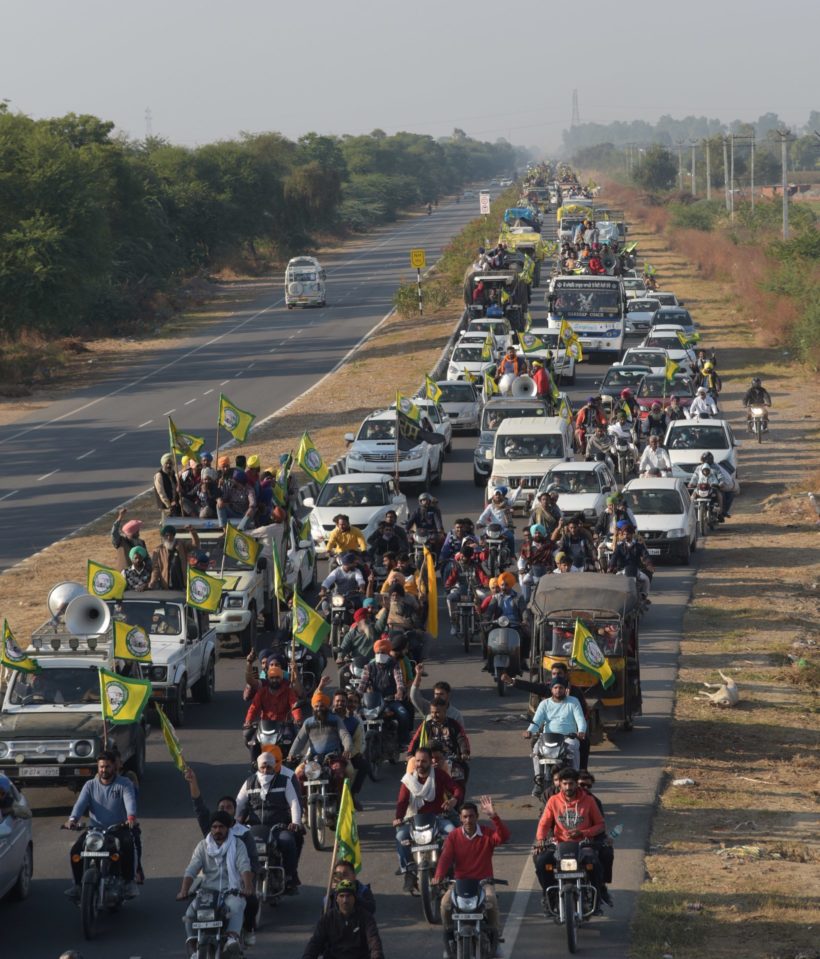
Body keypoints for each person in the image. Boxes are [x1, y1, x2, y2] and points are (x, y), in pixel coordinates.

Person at [184, 767, 261, 944]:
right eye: (221, 807)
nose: (225, 810)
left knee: (251, 902)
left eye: (229, 807)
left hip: (236, 884)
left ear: (235, 810)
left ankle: (246, 932)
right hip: (210, 885)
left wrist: (248, 884)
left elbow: (250, 863)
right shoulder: (210, 834)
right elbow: (199, 807)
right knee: (191, 912)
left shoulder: (243, 835)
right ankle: (195, 943)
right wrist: (193, 782)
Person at [434, 797, 510, 959]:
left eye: (471, 816)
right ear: (460, 818)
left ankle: (495, 939)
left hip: (484, 882)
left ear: (477, 817)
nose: (468, 820)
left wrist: (494, 816)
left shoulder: (487, 834)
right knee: (445, 903)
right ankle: (450, 940)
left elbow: (504, 837)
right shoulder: (454, 836)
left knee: (491, 901)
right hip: (460, 883)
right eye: (465, 817)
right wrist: (439, 875)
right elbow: (446, 857)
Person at [64, 751, 139, 901]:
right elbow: (80, 804)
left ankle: (128, 882)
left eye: (107, 766)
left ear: (114, 767)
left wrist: (131, 817)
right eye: (101, 767)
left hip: (118, 829)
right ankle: (78, 885)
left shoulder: (124, 783)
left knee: (127, 844)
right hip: (95, 831)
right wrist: (72, 819)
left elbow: (130, 801)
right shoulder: (90, 785)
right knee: (76, 851)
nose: (104, 770)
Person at [177, 810, 253, 956]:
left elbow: (244, 866)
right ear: (211, 828)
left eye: (221, 827)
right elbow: (191, 869)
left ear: (228, 828)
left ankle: (232, 937)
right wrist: (184, 890)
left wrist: (248, 886)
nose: (217, 830)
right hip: (208, 893)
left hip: (230, 891)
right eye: (214, 827)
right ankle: (194, 946)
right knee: (190, 912)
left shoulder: (238, 844)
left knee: (236, 906)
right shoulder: (203, 846)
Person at [533, 768, 610, 910]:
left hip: (583, 845)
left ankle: (596, 898)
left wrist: (582, 833)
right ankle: (549, 897)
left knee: (595, 865)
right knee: (541, 862)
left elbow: (600, 825)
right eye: (565, 784)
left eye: (571, 784)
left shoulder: (589, 801)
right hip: (559, 845)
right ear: (560, 785)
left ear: (576, 784)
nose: (568, 787)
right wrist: (540, 839)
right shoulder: (553, 801)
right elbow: (544, 823)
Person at [394, 746, 463, 891]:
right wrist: (398, 818)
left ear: (430, 762)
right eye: (417, 761)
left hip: (438, 818)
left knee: (452, 833)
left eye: (423, 761)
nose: (420, 764)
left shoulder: (439, 775)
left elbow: (456, 788)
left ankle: (452, 868)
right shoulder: (408, 780)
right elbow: (402, 801)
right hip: (414, 820)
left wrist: (453, 800)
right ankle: (408, 871)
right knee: (401, 836)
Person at [235, 751, 304, 893]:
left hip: (277, 827)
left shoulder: (284, 781)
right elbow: (238, 804)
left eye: (269, 767)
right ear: (258, 767)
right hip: (254, 828)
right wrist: (233, 822)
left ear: (274, 768)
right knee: (236, 845)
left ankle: (289, 877)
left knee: (288, 841)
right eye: (263, 767)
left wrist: (296, 822)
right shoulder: (249, 782)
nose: (266, 770)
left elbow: (294, 803)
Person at [524, 679, 587, 794]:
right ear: (551, 689)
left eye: (561, 688)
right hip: (547, 738)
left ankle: (575, 778)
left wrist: (581, 731)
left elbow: (580, 719)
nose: (558, 690)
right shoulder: (544, 704)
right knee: (536, 749)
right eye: (555, 688)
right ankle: (538, 779)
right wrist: (529, 731)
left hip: (568, 738)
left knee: (573, 748)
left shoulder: (573, 702)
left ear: (565, 689)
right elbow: (536, 722)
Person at [303, 879, 384, 959]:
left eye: (348, 896)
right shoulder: (327, 918)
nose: (345, 900)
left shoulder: (366, 917)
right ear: (336, 899)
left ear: (354, 898)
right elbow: (315, 942)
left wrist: (377, 956)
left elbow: (374, 942)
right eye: (342, 896)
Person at [357, 638, 411, 747]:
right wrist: (356, 695)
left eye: (383, 652)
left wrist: (400, 691)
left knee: (403, 714)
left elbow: (399, 681)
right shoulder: (369, 667)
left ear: (388, 653)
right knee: (357, 718)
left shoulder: (394, 665)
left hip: (390, 700)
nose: (380, 654)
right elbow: (362, 684)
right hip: (373, 702)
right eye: (378, 652)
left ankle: (403, 740)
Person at [288, 691, 353, 776]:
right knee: (298, 774)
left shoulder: (336, 720)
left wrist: (347, 749)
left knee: (346, 771)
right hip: (313, 759)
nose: (319, 708)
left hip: (333, 758)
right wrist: (292, 754)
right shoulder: (308, 722)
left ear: (327, 707)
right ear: (313, 708)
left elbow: (345, 735)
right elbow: (300, 739)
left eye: (322, 706)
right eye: (316, 706)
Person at [243, 664, 304, 754]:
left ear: (281, 679)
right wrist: (248, 721)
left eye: (277, 678)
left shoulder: (288, 691)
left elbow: (294, 706)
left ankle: (290, 760)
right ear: (268, 679)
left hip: (283, 725)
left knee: (292, 738)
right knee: (252, 741)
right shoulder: (262, 692)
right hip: (264, 725)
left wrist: (298, 719)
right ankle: (254, 764)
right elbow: (254, 707)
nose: (274, 680)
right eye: (272, 678)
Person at [445, 539, 489, 635]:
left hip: (475, 590)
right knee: (449, 599)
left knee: (486, 597)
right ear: (460, 554)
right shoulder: (456, 566)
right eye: (462, 556)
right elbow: (451, 578)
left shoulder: (475, 566)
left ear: (470, 557)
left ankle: (484, 621)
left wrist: (488, 584)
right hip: (460, 589)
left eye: (466, 557)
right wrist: (448, 585)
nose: (463, 558)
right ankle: (453, 623)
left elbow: (483, 577)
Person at [332, 689, 366, 809]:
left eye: (343, 701)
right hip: (327, 753)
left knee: (358, 767)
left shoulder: (354, 721)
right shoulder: (327, 717)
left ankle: (350, 794)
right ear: (333, 702)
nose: (340, 704)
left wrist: (350, 754)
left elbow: (358, 741)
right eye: (338, 701)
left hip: (346, 754)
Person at [608, 521, 653, 601]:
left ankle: (644, 596)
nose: (625, 536)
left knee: (646, 579)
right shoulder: (619, 547)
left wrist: (649, 564)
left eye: (627, 534)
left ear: (632, 534)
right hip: (622, 571)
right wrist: (611, 567)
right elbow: (614, 557)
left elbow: (645, 555)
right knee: (612, 582)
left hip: (636, 570)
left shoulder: (639, 546)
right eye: (624, 534)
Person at [149, 523, 199, 590]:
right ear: (163, 537)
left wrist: (192, 532)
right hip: (166, 586)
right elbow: (156, 569)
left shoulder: (182, 545)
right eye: (166, 535)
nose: (169, 538)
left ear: (174, 535)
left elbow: (195, 545)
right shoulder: (158, 550)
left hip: (182, 584)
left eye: (171, 535)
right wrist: (152, 582)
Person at [477, 484, 522, 552]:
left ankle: (512, 555)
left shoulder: (507, 503)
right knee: (481, 539)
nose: (497, 496)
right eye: (496, 494)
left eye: (499, 494)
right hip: (492, 529)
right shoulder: (490, 506)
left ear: (503, 496)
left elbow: (514, 497)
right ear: (493, 496)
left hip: (504, 529)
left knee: (511, 537)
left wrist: (520, 486)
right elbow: (484, 516)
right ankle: (482, 556)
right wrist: (479, 522)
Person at [517, 524, 552, 602]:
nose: (537, 535)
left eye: (539, 533)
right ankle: (526, 602)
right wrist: (521, 569)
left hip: (547, 571)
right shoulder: (526, 546)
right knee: (525, 581)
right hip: (531, 571)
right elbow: (521, 560)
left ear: (543, 534)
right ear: (533, 534)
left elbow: (556, 556)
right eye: (535, 533)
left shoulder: (549, 545)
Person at [153, 453, 180, 520]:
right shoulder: (159, 475)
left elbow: (175, 486)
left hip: (174, 502)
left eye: (170, 463)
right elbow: (161, 492)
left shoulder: (172, 472)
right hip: (166, 504)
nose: (168, 465)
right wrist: (169, 505)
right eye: (167, 463)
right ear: (163, 464)